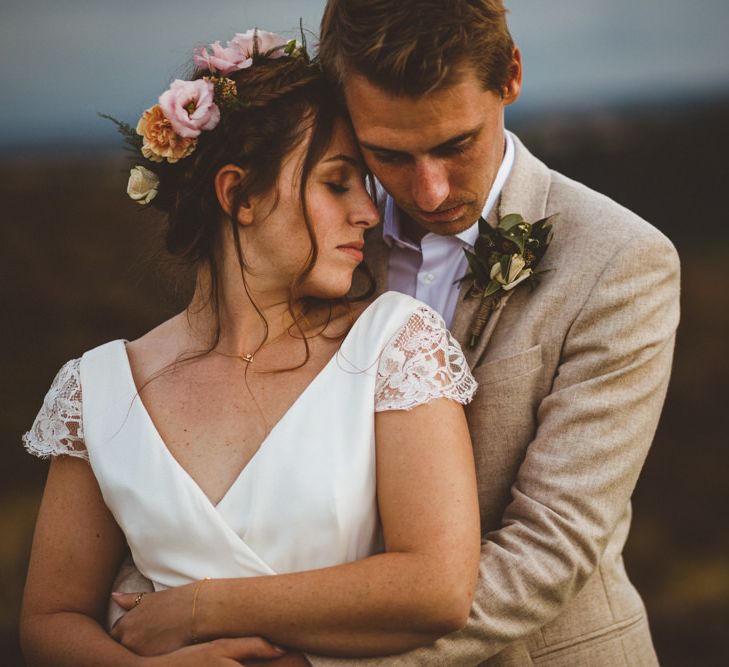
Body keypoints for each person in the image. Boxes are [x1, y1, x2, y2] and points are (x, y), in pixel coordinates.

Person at [19, 30, 482, 666]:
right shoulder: (99, 389)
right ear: (239, 195)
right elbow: (49, 620)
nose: (368, 215)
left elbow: (437, 590)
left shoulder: (394, 346)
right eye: (336, 184)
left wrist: (200, 607)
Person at [303, 1, 681, 665]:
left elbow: (550, 546)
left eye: (455, 144)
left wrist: (320, 661)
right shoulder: (317, 247)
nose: (428, 190)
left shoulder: (621, 260)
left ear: (509, 75)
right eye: (388, 154)